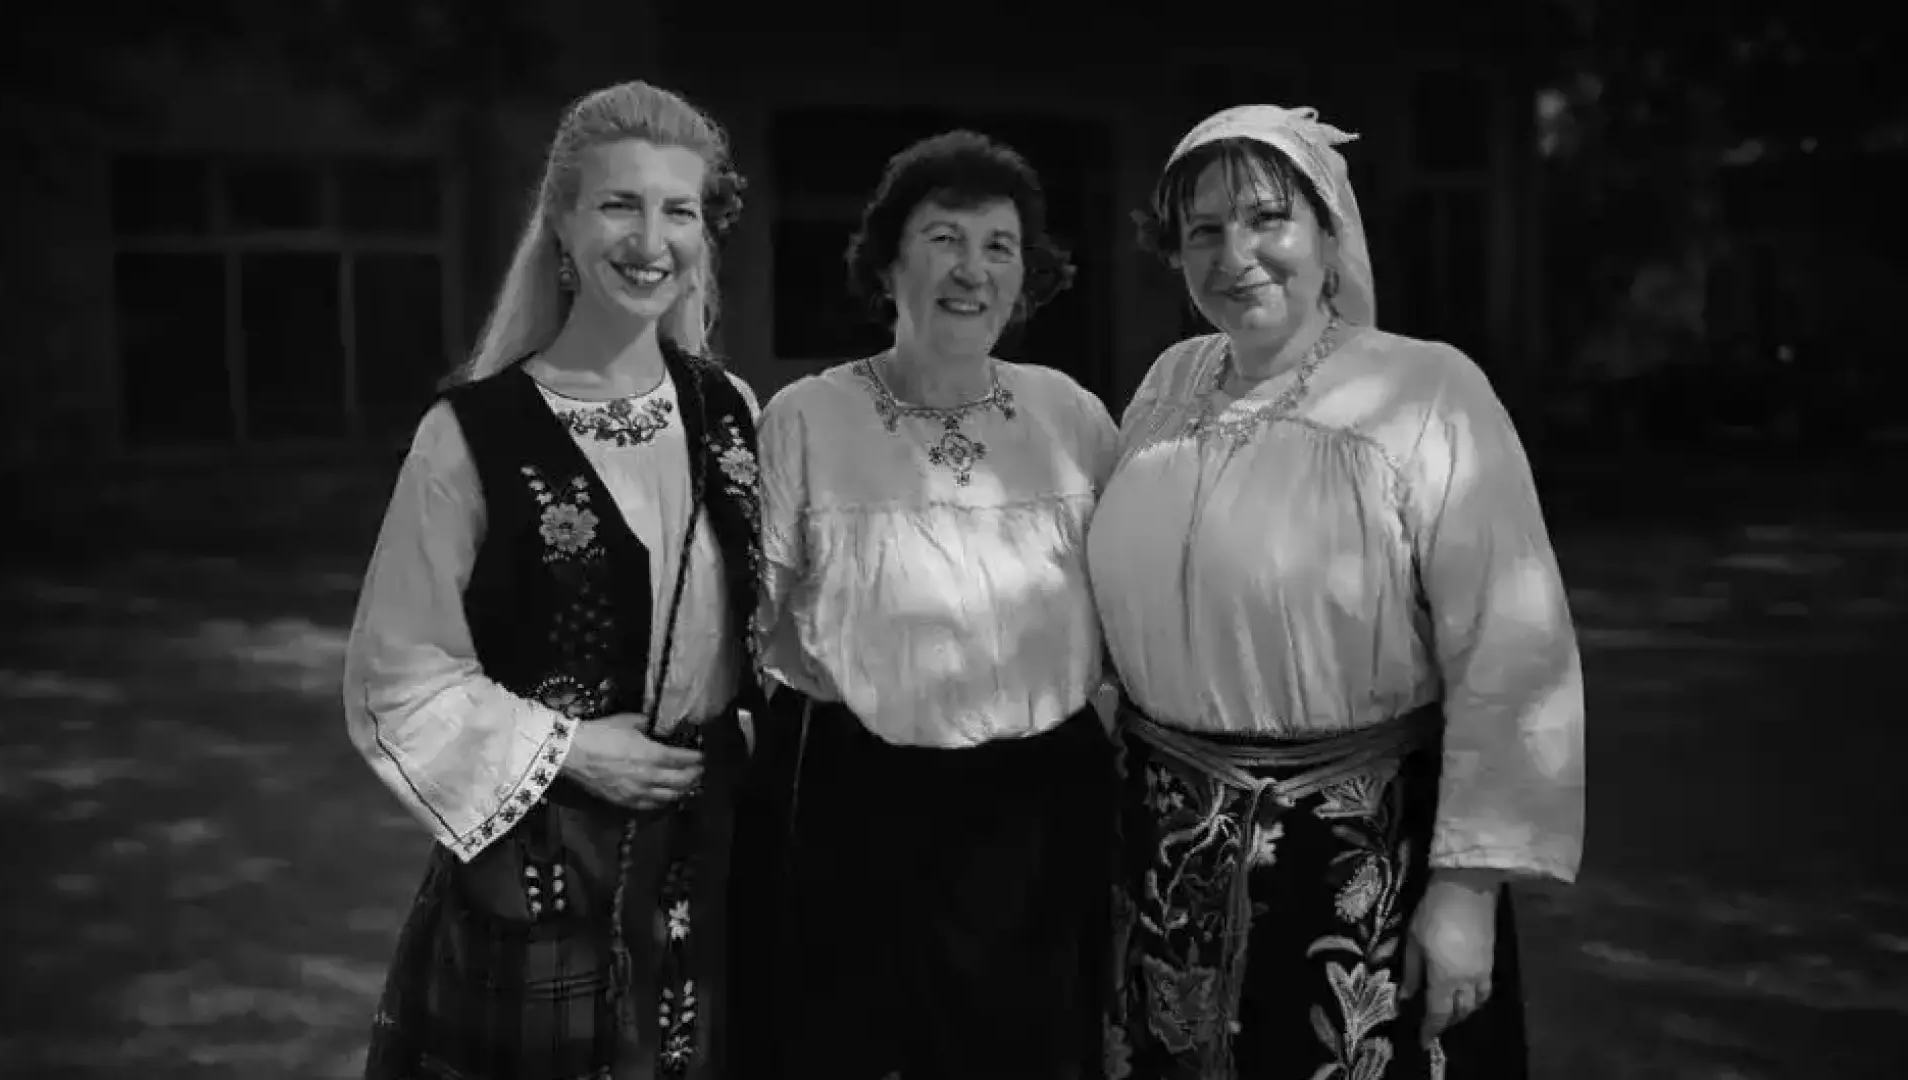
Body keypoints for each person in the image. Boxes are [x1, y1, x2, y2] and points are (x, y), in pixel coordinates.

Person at [1087, 104, 1586, 1079]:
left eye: (1267, 218)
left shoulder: (1425, 393)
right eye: (1203, 230)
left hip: (1355, 860)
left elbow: (1510, 649)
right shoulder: (1168, 385)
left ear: (1328, 231)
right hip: (1165, 857)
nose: (1236, 255)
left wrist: (1467, 891)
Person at [343, 80, 762, 1080]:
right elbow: (398, 672)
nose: (650, 240)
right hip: (543, 871)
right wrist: (569, 748)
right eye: (619, 204)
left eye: (678, 210)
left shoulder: (732, 409)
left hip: (716, 861)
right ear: (562, 224)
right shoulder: (467, 436)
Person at [739, 130, 1121, 1080]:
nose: (972, 270)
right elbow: (749, 618)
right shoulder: (806, 417)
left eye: (1000, 246)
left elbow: (1127, 602)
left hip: (1039, 811)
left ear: (1027, 276)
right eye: (944, 239)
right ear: (887, 265)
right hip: (853, 802)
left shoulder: (1072, 415)